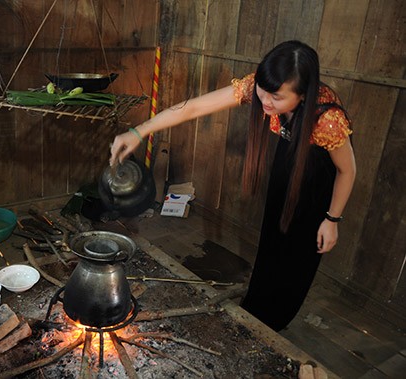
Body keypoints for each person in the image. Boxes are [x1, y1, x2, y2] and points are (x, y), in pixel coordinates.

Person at [109, 40, 356, 331]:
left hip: (318, 177)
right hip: (290, 158)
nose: (265, 102)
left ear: (302, 95)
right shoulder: (260, 87)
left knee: (297, 255)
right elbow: (193, 108)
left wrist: (332, 219)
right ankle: (255, 313)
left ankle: (275, 325)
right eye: (264, 91)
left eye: (277, 98)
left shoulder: (327, 120)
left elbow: (347, 171)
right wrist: (139, 131)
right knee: (272, 239)